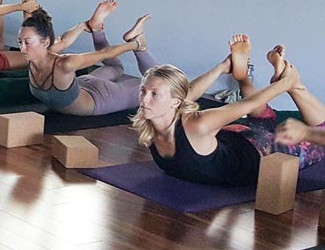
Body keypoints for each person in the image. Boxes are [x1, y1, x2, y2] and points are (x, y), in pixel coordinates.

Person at [133, 37, 325, 186]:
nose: (144, 99)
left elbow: (248, 105)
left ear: (175, 102)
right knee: (264, 119)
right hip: (235, 138)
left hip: (259, 151)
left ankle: (293, 86)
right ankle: (244, 78)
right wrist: (221, 68)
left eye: (154, 94)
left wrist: (286, 83)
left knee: (321, 135)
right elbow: (186, 93)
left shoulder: (197, 125)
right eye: (143, 91)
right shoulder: (150, 118)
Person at [21, 0, 155, 116]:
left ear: (45, 42)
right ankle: (97, 29)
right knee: (115, 68)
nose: (22, 48)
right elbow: (63, 41)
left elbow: (105, 53)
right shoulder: (36, 55)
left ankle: (139, 45)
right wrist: (83, 25)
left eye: (27, 42)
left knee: (160, 85)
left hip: (99, 97)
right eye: (20, 42)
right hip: (84, 85)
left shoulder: (65, 63)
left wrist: (136, 44)